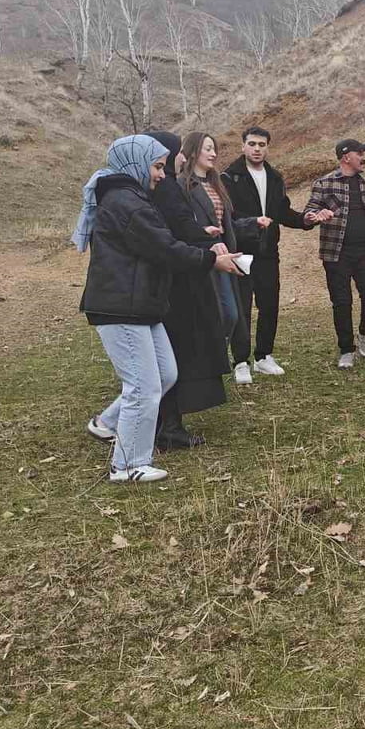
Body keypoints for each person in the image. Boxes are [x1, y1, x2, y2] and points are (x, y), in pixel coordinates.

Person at [74, 134, 239, 484]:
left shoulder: (132, 196)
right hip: (122, 306)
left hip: (143, 303)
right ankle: (127, 465)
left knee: (165, 374)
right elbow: (164, 248)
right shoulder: (126, 203)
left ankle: (107, 423)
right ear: (136, 164)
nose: (162, 175)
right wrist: (211, 259)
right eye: (157, 167)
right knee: (143, 386)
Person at [145, 131, 231, 450]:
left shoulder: (155, 186)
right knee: (178, 352)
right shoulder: (167, 187)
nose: (182, 157)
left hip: (171, 277)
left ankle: (162, 423)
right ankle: (168, 426)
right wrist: (208, 246)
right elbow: (180, 228)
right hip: (179, 282)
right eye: (177, 152)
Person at [221, 126, 316, 381]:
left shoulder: (274, 177)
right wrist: (253, 223)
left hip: (268, 252)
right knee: (242, 308)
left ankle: (263, 356)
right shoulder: (229, 177)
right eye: (252, 144)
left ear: (267, 148)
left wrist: (305, 220)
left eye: (262, 145)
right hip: (240, 252)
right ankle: (241, 361)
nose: (257, 149)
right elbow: (227, 216)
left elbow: (282, 212)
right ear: (243, 146)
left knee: (269, 305)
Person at [304, 139, 365, 368]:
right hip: (336, 253)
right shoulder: (324, 183)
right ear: (346, 157)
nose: (364, 158)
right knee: (341, 302)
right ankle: (346, 349)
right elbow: (310, 211)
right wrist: (314, 216)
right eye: (360, 153)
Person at [180, 132, 255, 364]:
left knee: (230, 314)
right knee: (212, 314)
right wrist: (202, 232)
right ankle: (208, 361)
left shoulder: (216, 183)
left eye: (214, 149)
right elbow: (181, 222)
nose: (213, 154)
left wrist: (253, 223)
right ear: (193, 151)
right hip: (201, 254)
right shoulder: (182, 184)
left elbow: (227, 222)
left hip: (224, 254)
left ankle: (214, 357)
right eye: (208, 148)